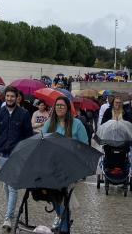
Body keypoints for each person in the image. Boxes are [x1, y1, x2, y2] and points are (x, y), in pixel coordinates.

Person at [41, 97, 88, 233]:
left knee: (65, 197)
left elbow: (84, 144)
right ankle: (62, 217)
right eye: (57, 105)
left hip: (70, 167)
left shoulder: (77, 124)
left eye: (62, 105)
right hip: (52, 166)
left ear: (68, 108)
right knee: (52, 194)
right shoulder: (49, 123)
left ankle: (64, 227)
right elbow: (42, 142)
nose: (59, 108)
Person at [0, 86, 34, 231]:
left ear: (17, 98)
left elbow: (28, 135)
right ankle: (10, 212)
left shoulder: (24, 114)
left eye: (12, 96)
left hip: (16, 154)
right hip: (2, 155)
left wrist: (24, 153)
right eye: (7, 96)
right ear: (5, 97)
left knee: (12, 187)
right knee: (6, 185)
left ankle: (8, 217)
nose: (9, 98)